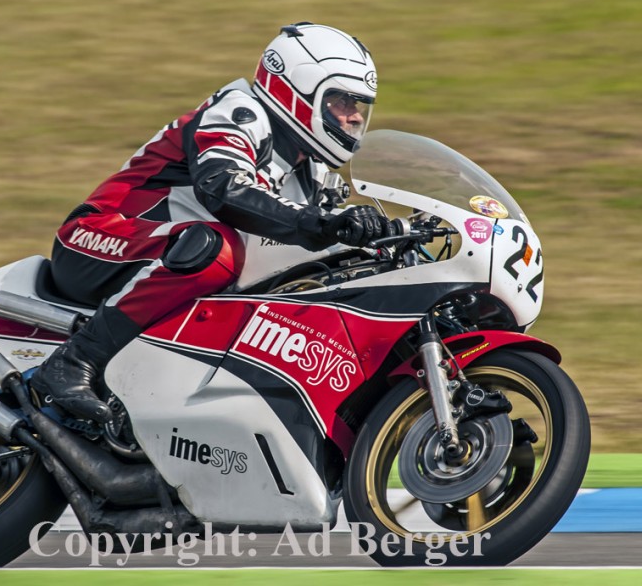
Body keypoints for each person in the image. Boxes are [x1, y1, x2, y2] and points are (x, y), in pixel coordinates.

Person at [31, 22, 391, 422]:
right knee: (213, 249)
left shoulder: (312, 169)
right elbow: (222, 189)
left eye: (358, 106)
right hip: (97, 237)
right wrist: (320, 224)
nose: (354, 117)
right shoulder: (239, 113)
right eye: (342, 101)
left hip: (159, 259)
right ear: (298, 91)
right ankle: (74, 360)